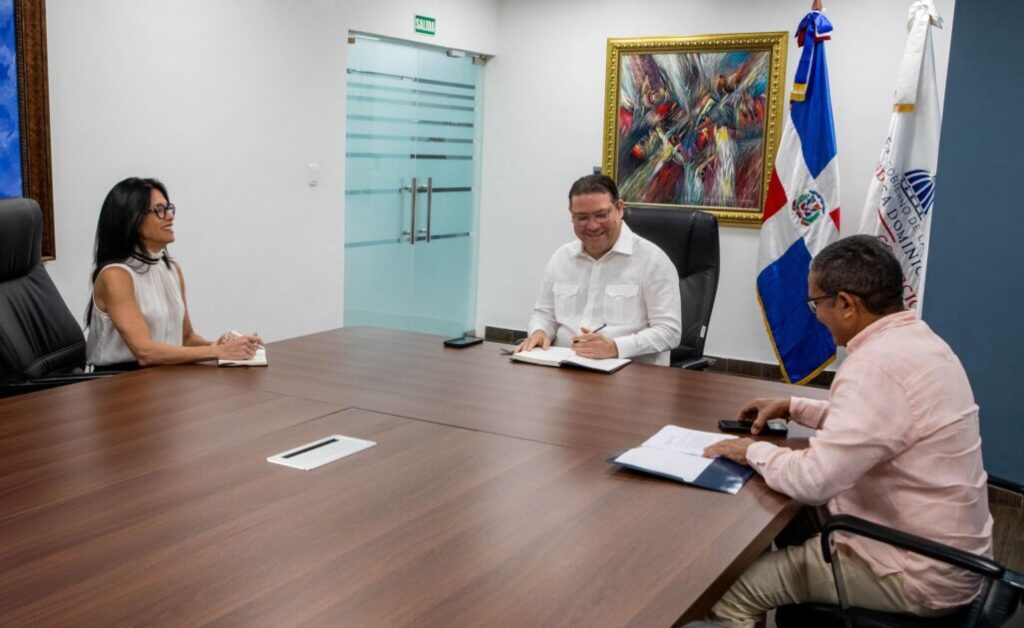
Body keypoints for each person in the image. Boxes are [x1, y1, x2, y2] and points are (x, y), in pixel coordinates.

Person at [701, 235, 993, 626]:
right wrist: (796, 407)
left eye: (817, 304)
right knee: (795, 526)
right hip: (955, 554)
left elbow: (813, 482)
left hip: (914, 571)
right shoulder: (921, 341)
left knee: (733, 595)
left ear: (846, 304)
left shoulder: (873, 366)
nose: (816, 315)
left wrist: (749, 451)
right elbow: (884, 424)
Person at [85, 177, 260, 368]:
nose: (170, 216)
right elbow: (145, 352)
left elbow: (186, 339)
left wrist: (233, 347)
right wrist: (217, 352)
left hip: (163, 376)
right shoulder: (116, 276)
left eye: (168, 208)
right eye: (159, 210)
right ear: (132, 218)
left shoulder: (171, 269)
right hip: (119, 383)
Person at [515, 174, 681, 365]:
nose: (593, 226)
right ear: (572, 217)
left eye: (601, 215)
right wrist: (539, 332)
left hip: (631, 378)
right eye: (582, 218)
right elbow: (544, 315)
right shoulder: (562, 258)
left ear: (619, 209)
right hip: (564, 370)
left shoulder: (653, 261)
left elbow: (670, 332)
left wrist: (616, 348)